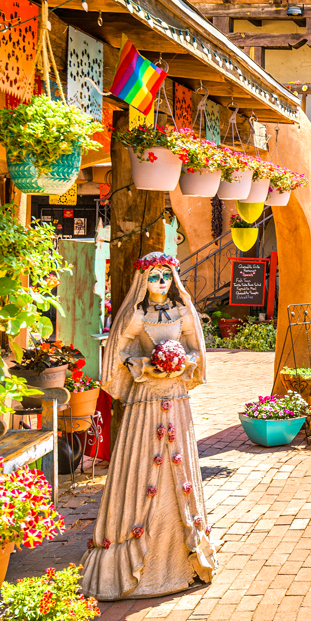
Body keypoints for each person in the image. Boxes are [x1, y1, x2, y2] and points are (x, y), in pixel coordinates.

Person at [80, 252, 218, 600]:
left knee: (178, 468)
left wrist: (180, 362)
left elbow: (195, 351)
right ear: (144, 281)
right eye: (155, 277)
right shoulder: (137, 314)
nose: (161, 283)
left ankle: (181, 557)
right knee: (141, 466)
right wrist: (144, 364)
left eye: (166, 277)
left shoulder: (182, 311)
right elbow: (119, 351)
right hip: (145, 402)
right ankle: (133, 562)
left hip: (175, 396)